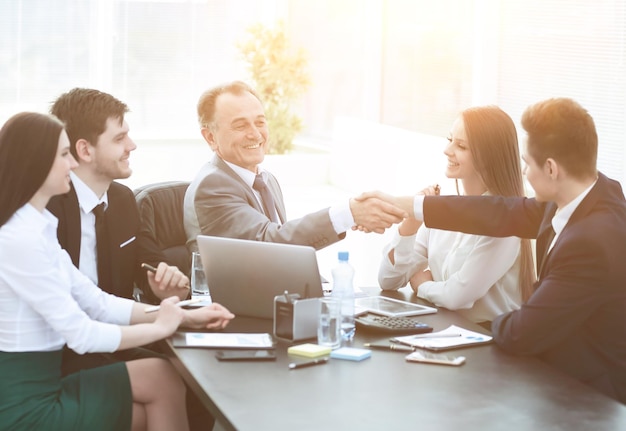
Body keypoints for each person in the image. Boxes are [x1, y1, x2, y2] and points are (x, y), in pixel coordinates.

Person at [360, 98, 626, 404]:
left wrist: (484, 325)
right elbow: (499, 211)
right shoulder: (590, 197)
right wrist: (409, 206)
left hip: (592, 400)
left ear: (551, 169)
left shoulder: (590, 240)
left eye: (528, 163)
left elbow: (521, 332)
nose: (524, 172)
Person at [0, 112, 235, 430]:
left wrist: (182, 315)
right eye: (64, 154)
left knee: (162, 376)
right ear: (36, 162)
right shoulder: (19, 239)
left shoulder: (38, 227)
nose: (71, 164)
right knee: (150, 409)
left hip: (46, 383)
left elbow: (97, 301)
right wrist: (160, 327)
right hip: (24, 405)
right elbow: (81, 333)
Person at [183, 80, 406, 252]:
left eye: (260, 122)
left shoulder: (266, 179)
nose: (255, 133)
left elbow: (285, 251)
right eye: (240, 125)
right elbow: (269, 244)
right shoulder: (212, 185)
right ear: (210, 137)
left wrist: (357, 216)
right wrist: (347, 214)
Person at [378, 106, 535, 325]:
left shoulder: (505, 223)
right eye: (450, 139)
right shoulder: (443, 213)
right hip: (447, 330)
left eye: (461, 145)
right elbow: (388, 280)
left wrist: (422, 285)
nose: (447, 150)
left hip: (489, 342)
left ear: (488, 156)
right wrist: (410, 224)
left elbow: (458, 296)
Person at [47, 88, 189, 306]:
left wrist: (167, 287)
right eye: (119, 138)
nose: (131, 146)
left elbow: (149, 265)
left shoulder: (123, 200)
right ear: (85, 150)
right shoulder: (47, 207)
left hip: (122, 331)